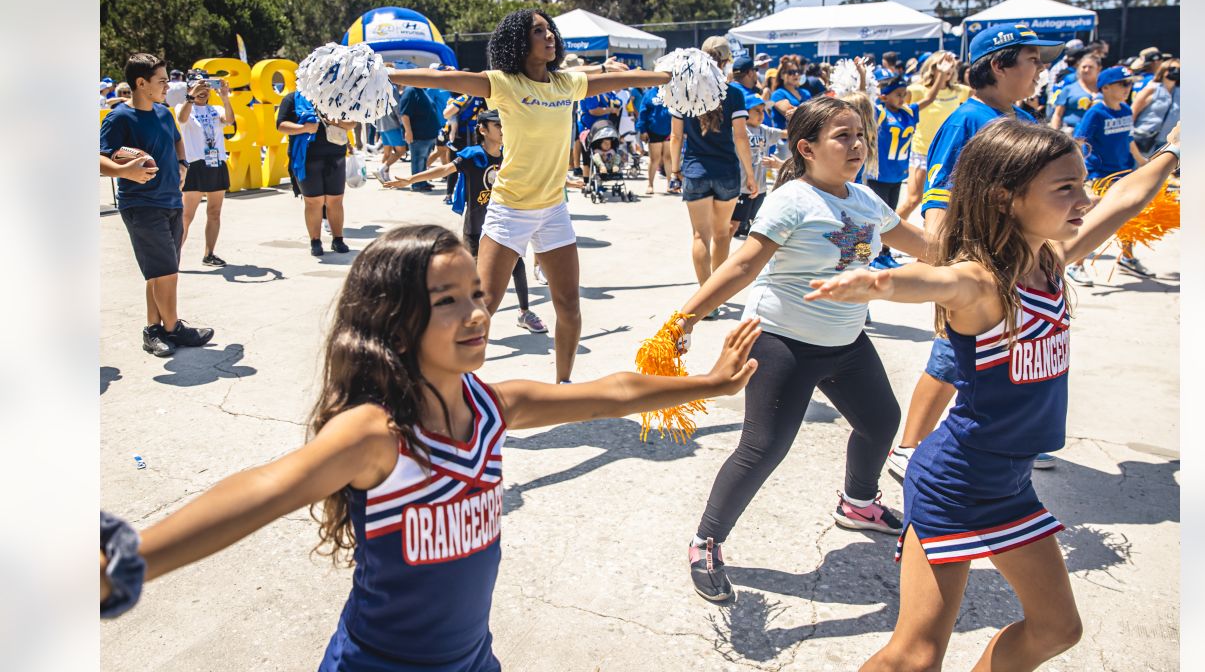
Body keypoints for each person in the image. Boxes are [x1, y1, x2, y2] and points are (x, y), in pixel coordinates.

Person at [99, 224, 763, 669]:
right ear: (395, 318)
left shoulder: (493, 406)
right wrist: (132, 559)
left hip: (474, 659)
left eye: (477, 293)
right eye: (447, 300)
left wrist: (710, 383)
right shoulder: (376, 434)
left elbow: (612, 391)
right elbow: (263, 489)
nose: (476, 313)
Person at [809, 120, 1182, 672]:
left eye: (1081, 184)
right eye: (1065, 189)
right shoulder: (983, 282)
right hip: (954, 483)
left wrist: (1174, 148)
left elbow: (1126, 196)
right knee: (915, 656)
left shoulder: (1053, 258)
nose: (1083, 199)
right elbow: (938, 282)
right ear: (1006, 197)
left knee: (1057, 629)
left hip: (1008, 483)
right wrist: (880, 284)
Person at [674, 97, 934, 602]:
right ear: (807, 148)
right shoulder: (793, 199)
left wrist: (997, 251)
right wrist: (686, 317)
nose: (857, 145)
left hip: (845, 340)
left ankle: (857, 503)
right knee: (763, 447)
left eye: (860, 135)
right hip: (782, 341)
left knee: (880, 420)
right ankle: (705, 540)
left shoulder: (864, 200)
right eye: (843, 136)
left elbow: (923, 246)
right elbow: (744, 266)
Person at [386, 8, 675, 383]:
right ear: (519, 42)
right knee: (483, 307)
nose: (550, 35)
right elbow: (444, 79)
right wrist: (385, 74)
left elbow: (637, 77)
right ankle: (444, 387)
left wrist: (671, 76)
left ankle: (563, 387)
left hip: (553, 211)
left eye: (550, 29)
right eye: (539, 31)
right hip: (510, 210)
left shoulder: (566, 83)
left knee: (569, 307)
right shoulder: (505, 84)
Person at [889, 24, 1064, 481]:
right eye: (1031, 60)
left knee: (1006, 352)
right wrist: (943, 264)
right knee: (950, 357)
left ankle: (1011, 433)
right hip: (978, 264)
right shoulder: (968, 119)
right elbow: (939, 193)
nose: (1039, 69)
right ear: (999, 64)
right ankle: (908, 447)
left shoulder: (1024, 122)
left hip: (1021, 263)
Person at [386, 110, 548, 335]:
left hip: (503, 227)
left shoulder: (510, 155)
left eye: (505, 124)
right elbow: (445, 169)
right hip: (476, 229)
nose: (503, 130)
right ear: (483, 130)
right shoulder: (473, 156)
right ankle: (462, 316)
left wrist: (564, 183)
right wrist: (411, 179)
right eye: (497, 125)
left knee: (517, 265)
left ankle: (524, 312)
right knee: (473, 277)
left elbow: (536, 175)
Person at [99, 52, 214, 357]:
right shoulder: (119, 117)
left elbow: (177, 139)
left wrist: (182, 163)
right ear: (141, 83)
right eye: (161, 81)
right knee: (167, 271)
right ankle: (174, 327)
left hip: (171, 201)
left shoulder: (163, 112)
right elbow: (99, 158)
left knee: (161, 270)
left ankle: (153, 330)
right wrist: (125, 170)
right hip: (141, 204)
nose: (168, 85)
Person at [668, 36, 757, 304]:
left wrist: (674, 171)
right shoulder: (735, 93)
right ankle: (717, 295)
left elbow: (675, 137)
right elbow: (741, 137)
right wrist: (750, 175)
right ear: (727, 61)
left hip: (695, 170)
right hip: (727, 172)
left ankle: (705, 297)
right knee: (722, 234)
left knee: (699, 236)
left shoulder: (684, 89)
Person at [1070, 66, 1156, 280]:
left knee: (1129, 217)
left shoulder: (1126, 110)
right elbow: (1080, 140)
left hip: (1124, 172)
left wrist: (1142, 162)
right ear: (1105, 87)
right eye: (1123, 83)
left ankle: (1127, 257)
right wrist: (1079, 172)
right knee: (1093, 220)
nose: (1129, 88)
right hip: (1100, 175)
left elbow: (1129, 139)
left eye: (1130, 83)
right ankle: (1076, 264)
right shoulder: (1096, 112)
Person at [866, 68, 946, 269]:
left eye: (904, 94)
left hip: (896, 174)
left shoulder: (908, 112)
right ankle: (871, 255)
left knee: (889, 216)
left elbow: (929, 98)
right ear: (884, 97)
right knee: (875, 218)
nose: (902, 98)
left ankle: (884, 253)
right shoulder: (880, 112)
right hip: (879, 175)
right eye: (898, 95)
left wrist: (941, 75)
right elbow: (863, 102)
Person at [276, 88, 357, 257]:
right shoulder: (293, 98)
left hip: (335, 156)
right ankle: (315, 241)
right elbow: (281, 125)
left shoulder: (338, 96)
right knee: (313, 202)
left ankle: (338, 239)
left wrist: (336, 122)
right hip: (306, 158)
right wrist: (304, 128)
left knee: (335, 200)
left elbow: (352, 123)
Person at [899, 52, 969, 225]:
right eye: (944, 66)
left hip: (948, 155)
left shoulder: (960, 91)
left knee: (939, 204)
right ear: (933, 67)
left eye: (952, 66)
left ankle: (925, 247)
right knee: (913, 199)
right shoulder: (916, 90)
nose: (949, 70)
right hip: (922, 152)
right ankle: (884, 239)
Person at [176, 71, 235, 267]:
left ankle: (209, 254)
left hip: (216, 163)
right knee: (186, 215)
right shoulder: (184, 107)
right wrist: (191, 96)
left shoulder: (216, 108)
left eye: (206, 87)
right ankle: (173, 256)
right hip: (195, 164)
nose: (203, 91)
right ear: (190, 88)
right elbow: (182, 119)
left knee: (214, 211)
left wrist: (225, 97)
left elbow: (229, 120)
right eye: (198, 87)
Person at [730, 94, 784, 239]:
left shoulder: (764, 130)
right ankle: (722, 250)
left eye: (763, 111)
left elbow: (785, 134)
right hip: (742, 185)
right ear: (746, 112)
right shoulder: (739, 130)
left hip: (760, 187)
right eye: (757, 111)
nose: (761, 115)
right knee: (733, 225)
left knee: (757, 222)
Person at [1131, 58, 1180, 158]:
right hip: (1143, 139)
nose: (1176, 72)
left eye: (1179, 70)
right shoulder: (1152, 88)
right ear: (1164, 69)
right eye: (1172, 68)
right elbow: (1133, 113)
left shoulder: (1180, 92)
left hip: (1165, 141)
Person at [399, 83, 442, 193]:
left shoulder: (421, 90)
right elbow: (404, 114)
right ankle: (417, 184)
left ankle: (422, 182)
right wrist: (408, 131)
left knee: (423, 160)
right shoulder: (410, 91)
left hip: (427, 134)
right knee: (418, 160)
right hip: (418, 135)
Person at [637, 85, 673, 195]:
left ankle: (670, 184)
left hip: (670, 130)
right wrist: (642, 130)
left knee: (668, 158)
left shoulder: (672, 91)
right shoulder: (649, 94)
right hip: (654, 130)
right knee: (655, 159)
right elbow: (643, 112)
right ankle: (650, 185)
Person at [1050, 54, 1100, 133]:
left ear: (1098, 69)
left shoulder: (1105, 89)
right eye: (1084, 67)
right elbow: (1057, 114)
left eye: (1091, 67)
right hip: (1072, 133)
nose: (1087, 70)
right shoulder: (1068, 89)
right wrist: (1054, 134)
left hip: (1099, 133)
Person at [768, 55, 812, 137]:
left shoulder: (805, 93)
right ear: (782, 75)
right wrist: (811, 112)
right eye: (791, 72)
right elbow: (789, 114)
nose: (796, 74)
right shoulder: (778, 94)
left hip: (804, 137)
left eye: (798, 71)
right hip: (786, 141)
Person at [372, 85, 408, 184]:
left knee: (387, 153)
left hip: (381, 124)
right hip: (392, 124)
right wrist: (403, 124)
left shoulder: (377, 87)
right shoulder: (391, 88)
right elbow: (397, 107)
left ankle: (385, 177)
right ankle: (382, 169)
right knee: (401, 151)